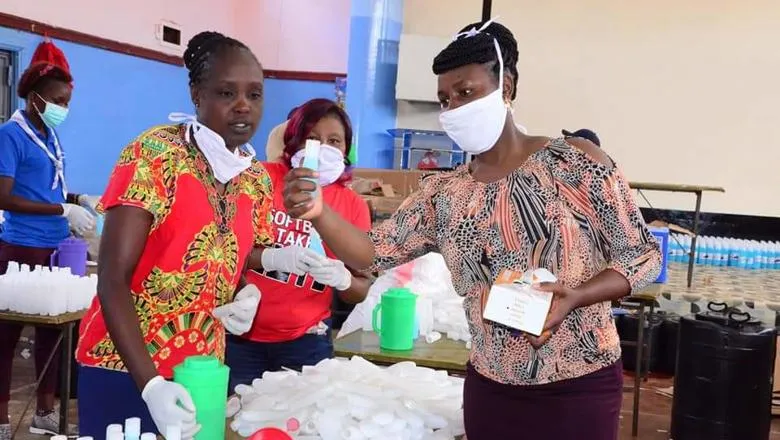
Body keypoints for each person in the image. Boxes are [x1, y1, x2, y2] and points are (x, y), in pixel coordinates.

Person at [282, 20, 661, 440]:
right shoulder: (445, 192)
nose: (454, 109)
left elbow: (642, 255)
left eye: (466, 93)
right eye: (445, 99)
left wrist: (578, 297)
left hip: (576, 383)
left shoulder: (573, 163)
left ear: (507, 87)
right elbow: (372, 252)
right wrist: (318, 211)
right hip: (490, 386)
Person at [74, 31, 322, 440]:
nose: (244, 106)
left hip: (202, 370)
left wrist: (248, 291)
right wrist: (151, 385)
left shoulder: (253, 177)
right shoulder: (153, 156)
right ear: (196, 94)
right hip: (125, 366)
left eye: (255, 95)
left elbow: (237, 256)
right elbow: (112, 278)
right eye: (227, 93)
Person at [226, 98, 372, 390]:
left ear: (346, 150)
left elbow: (362, 287)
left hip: (307, 342)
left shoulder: (352, 205)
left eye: (334, 141)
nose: (323, 147)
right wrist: (271, 258)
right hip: (241, 337)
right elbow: (224, 247)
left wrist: (342, 279)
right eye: (313, 139)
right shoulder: (261, 178)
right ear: (294, 141)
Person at [0, 39, 98, 438]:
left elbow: (48, 188)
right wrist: (61, 210)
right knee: (5, 337)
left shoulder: (50, 136)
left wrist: (78, 200)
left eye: (68, 102)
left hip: (57, 247)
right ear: (35, 97)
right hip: (20, 246)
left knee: (52, 334)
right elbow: (4, 196)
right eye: (58, 100)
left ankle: (45, 411)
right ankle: (2, 419)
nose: (64, 108)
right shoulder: (11, 135)